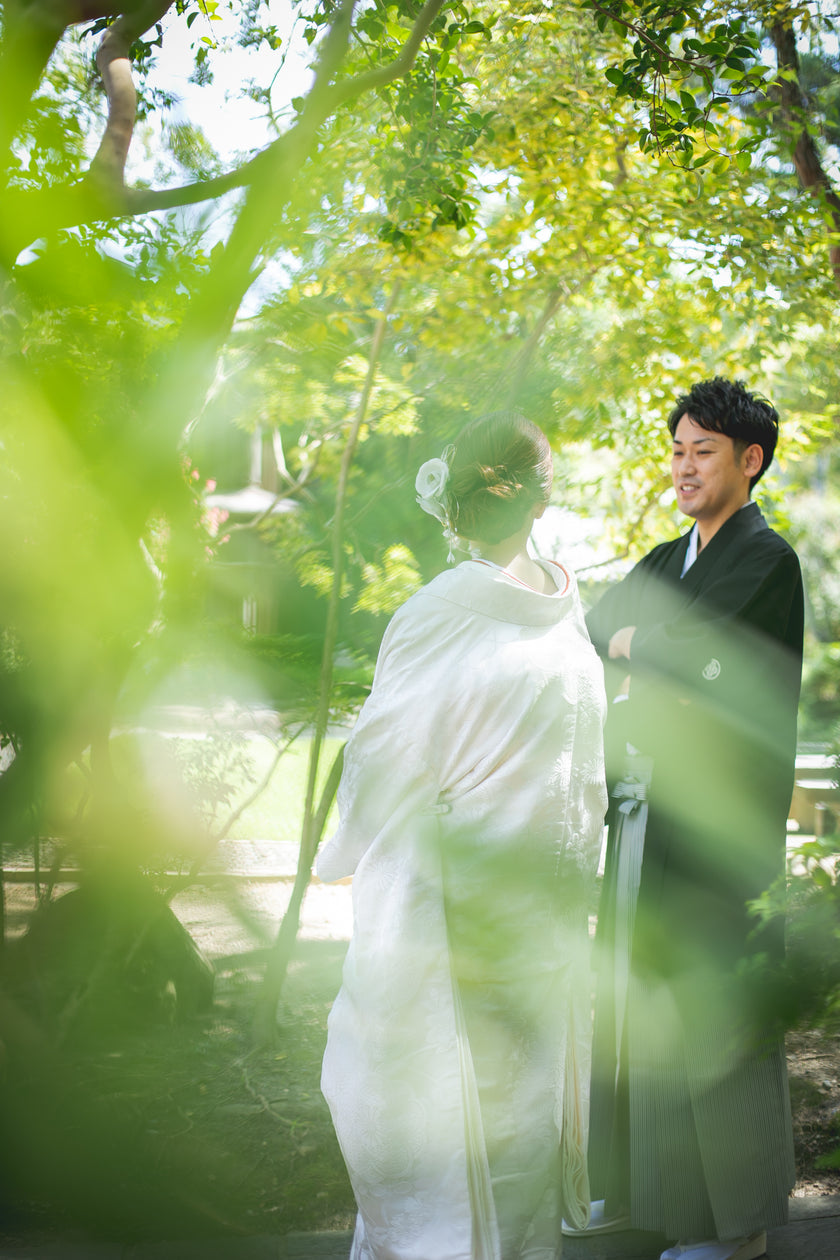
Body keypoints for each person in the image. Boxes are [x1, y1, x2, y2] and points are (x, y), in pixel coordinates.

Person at [318, 411, 608, 1260]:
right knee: (512, 1134)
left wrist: (339, 856)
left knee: (447, 1131)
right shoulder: (565, 615)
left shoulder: (437, 613)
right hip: (542, 907)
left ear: (455, 502)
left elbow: (381, 759)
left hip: (452, 919)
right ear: (542, 496)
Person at [577, 378, 804, 1260]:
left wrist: (649, 648)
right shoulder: (668, 559)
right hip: (646, 815)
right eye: (676, 449)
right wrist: (644, 648)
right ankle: (658, 1203)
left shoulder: (766, 557)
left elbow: (694, 654)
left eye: (701, 449)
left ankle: (737, 1223)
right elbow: (600, 629)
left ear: (749, 462)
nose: (682, 465)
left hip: (720, 827)